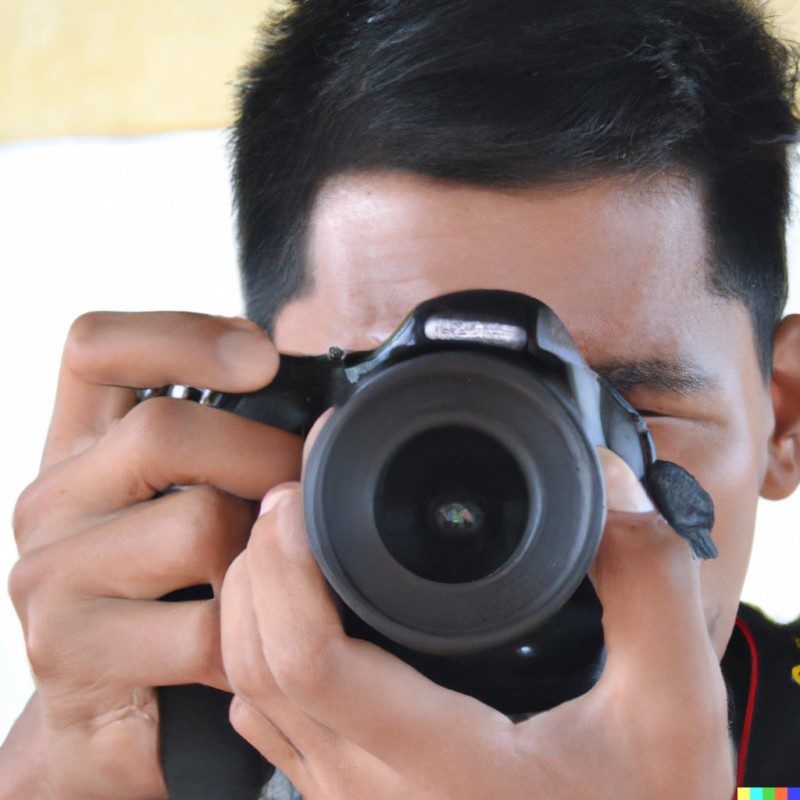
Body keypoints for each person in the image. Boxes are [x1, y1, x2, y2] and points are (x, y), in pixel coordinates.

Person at [2, 0, 799, 797]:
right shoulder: (166, 750)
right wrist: (67, 771)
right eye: (408, 401)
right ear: (254, 418)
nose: (538, 511)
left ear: (785, 419)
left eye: (628, 407)